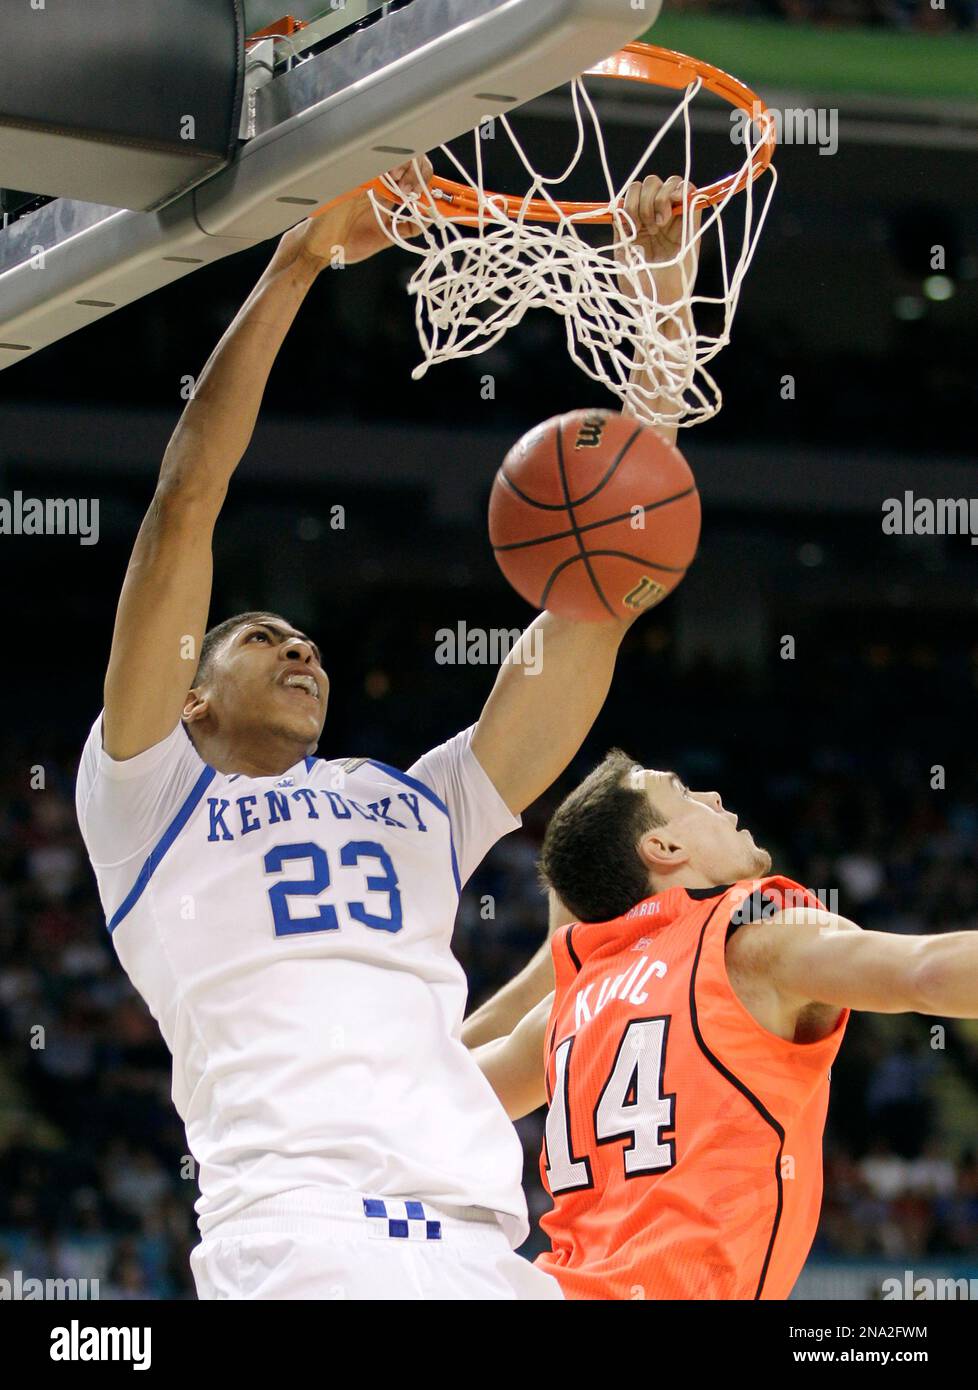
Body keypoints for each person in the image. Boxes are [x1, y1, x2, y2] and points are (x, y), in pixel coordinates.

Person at [75, 163, 696, 1300]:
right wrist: (297, 259)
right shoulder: (147, 799)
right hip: (304, 1239)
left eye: (307, 640)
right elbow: (184, 506)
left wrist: (661, 307)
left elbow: (605, 587)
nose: (300, 648)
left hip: (483, 1250)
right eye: (261, 636)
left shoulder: (414, 804)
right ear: (191, 698)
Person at [466, 750, 978, 1299]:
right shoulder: (756, 947)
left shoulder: (570, 1004)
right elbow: (927, 973)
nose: (712, 797)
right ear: (664, 848)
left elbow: (430, 1088)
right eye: (683, 793)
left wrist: (551, 954)